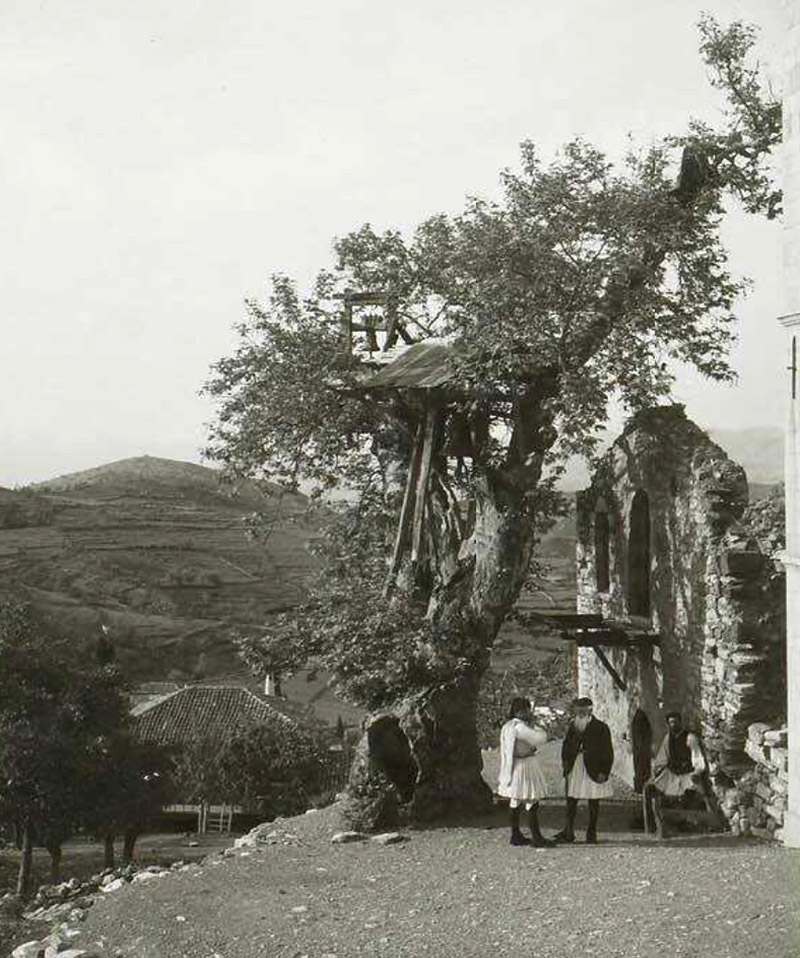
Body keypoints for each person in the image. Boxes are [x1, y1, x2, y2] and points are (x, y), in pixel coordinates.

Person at [643, 711, 718, 838]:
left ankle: (713, 823)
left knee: (703, 793)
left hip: (688, 772)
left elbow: (697, 757)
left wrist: (697, 772)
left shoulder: (690, 738)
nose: (673, 724)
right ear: (668, 724)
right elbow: (662, 758)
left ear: (680, 722)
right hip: (672, 772)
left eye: (676, 721)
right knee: (648, 788)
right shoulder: (668, 738)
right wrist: (658, 770)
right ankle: (653, 827)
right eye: (671, 722)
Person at [555, 696, 614, 844]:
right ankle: (568, 831)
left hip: (593, 767)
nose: (580, 713)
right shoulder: (573, 725)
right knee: (571, 800)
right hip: (575, 766)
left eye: (583, 710)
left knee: (593, 800)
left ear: (590, 710)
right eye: (578, 710)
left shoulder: (601, 727)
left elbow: (607, 751)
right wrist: (565, 763)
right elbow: (566, 746)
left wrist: (604, 771)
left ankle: (591, 833)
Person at [498, 697, 555, 847]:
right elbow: (540, 738)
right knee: (532, 799)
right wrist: (535, 725)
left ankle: (515, 835)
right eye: (526, 709)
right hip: (525, 764)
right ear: (520, 711)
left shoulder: (507, 726)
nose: (529, 712)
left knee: (515, 800)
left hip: (514, 764)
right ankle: (536, 838)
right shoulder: (520, 727)